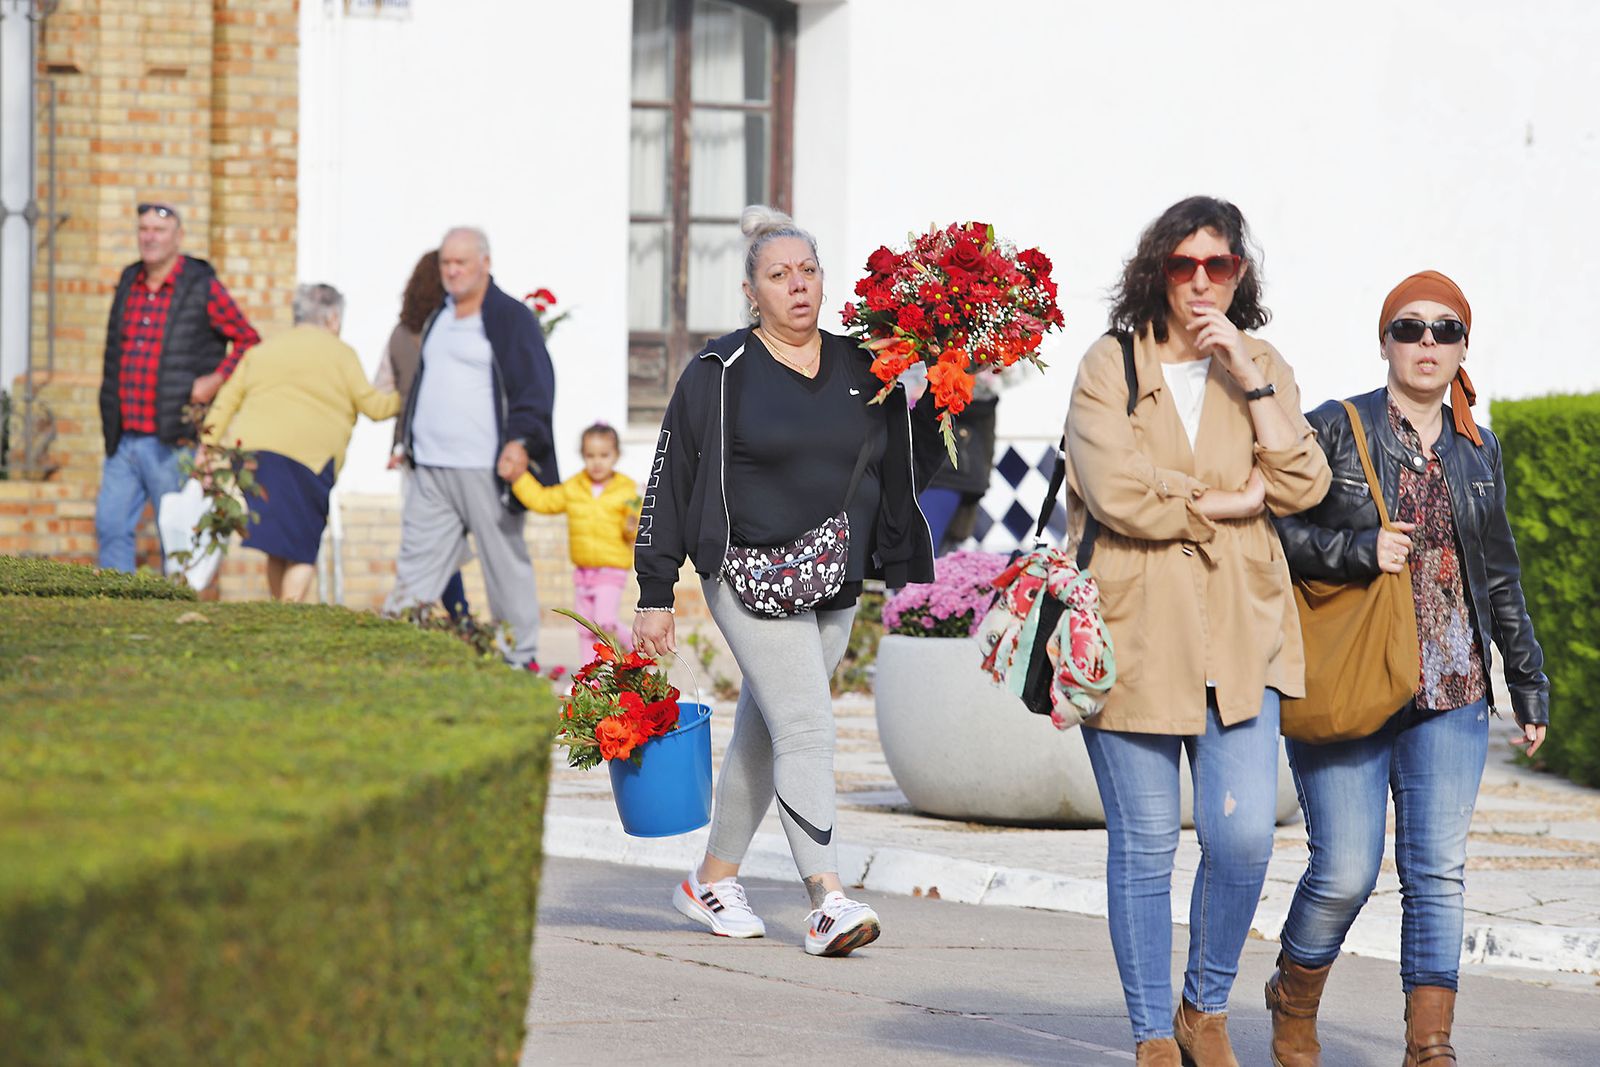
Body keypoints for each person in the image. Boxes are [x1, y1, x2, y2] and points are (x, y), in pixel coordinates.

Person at [632, 205, 944, 957]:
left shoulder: (860, 366)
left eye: (807, 271)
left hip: (832, 572)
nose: (797, 286)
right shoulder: (719, 372)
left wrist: (932, 390)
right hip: (744, 570)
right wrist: (654, 590)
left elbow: (908, 468)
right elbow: (672, 475)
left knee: (771, 729)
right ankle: (826, 898)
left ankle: (710, 876)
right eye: (779, 275)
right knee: (807, 722)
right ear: (752, 291)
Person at [1062, 196, 1330, 1066]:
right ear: (1158, 270)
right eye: (1184, 265)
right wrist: (1223, 499)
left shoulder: (1263, 364)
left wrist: (1248, 374)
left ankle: (1203, 1005)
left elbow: (1302, 484)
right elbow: (1115, 493)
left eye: (1218, 265)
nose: (1201, 281)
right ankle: (1150, 1031)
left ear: (1239, 274)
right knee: (1143, 846)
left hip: (1242, 631)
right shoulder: (1110, 364)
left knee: (1246, 833)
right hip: (1136, 631)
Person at [1268, 271, 1549, 1067]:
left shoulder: (1477, 446)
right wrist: (1358, 551)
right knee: (1346, 869)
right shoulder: (1335, 426)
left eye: (1445, 329)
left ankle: (1430, 1045)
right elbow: (1275, 527)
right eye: (1409, 327)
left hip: (1453, 690)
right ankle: (1293, 992)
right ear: (1385, 339)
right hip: (1353, 678)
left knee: (1437, 872)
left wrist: (1526, 680)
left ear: (1464, 345)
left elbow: (1499, 574)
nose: (1427, 343)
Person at [383, 227, 557, 670]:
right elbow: (423, 386)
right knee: (416, 562)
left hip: (487, 468)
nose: (453, 271)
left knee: (504, 564)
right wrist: (407, 442)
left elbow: (535, 386)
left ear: (485, 262)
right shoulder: (439, 315)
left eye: (461, 262)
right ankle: (393, 649)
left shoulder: (510, 317)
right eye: (446, 262)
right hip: (432, 469)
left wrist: (520, 442)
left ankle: (519, 659)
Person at [199, 284, 400, 601]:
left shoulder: (262, 351)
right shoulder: (342, 354)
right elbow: (375, 407)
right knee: (304, 547)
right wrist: (407, 395)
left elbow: (225, 402)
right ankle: (290, 614)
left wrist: (206, 449)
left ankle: (282, 613)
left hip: (252, 457)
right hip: (310, 460)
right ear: (333, 319)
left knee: (279, 546)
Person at [96, 201, 260, 572]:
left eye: (159, 230)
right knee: (110, 527)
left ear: (178, 237)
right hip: (123, 437)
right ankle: (114, 610)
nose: (149, 238)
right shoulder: (129, 280)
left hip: (173, 439)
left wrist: (216, 379)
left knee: (177, 535)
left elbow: (249, 339)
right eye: (144, 230)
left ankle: (174, 615)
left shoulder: (201, 287)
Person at [374, 250, 471, 620]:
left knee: (429, 538)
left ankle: (441, 614)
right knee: (445, 540)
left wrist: (399, 439)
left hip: (413, 453)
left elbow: (383, 390)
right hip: (458, 452)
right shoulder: (458, 329)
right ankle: (455, 615)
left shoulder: (400, 335)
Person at [511, 422, 641, 652]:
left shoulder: (626, 490)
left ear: (616, 455)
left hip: (611, 570)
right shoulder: (575, 486)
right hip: (583, 572)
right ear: (582, 455)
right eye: (590, 455)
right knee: (585, 629)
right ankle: (589, 683)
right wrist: (519, 479)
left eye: (604, 455)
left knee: (604, 622)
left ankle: (637, 649)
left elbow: (633, 531)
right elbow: (544, 500)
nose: (597, 461)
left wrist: (632, 525)